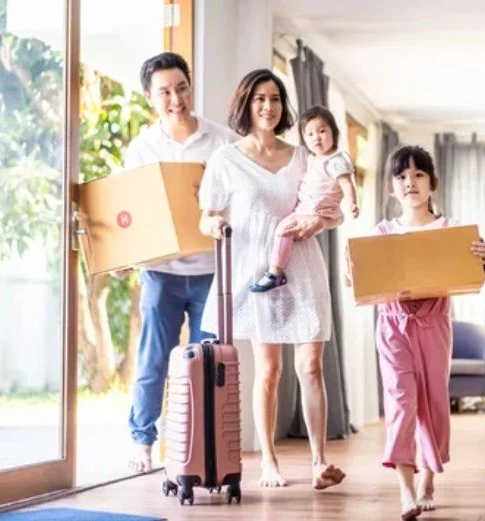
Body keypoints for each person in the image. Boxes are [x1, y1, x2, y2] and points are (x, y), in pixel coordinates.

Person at [197, 69, 346, 490]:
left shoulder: (303, 156)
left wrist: (318, 222)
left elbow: (332, 208)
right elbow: (207, 215)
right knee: (269, 371)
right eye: (260, 98)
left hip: (303, 267)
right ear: (246, 104)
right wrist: (214, 225)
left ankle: (319, 463)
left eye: (276, 98)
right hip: (258, 273)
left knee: (311, 366)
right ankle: (268, 461)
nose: (269, 106)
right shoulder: (226, 159)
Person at [347, 145, 485, 520]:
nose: (409, 183)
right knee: (401, 403)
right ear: (390, 188)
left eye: (418, 175)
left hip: (434, 325)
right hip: (392, 326)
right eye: (401, 177)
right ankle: (406, 491)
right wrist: (353, 270)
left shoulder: (451, 230)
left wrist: (482, 260)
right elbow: (358, 283)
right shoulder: (381, 233)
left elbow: (474, 276)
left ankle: (428, 478)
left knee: (433, 404)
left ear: (432, 183)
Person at [122, 52, 236, 473]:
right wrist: (125, 254)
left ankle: (199, 445)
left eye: (182, 88)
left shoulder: (222, 141)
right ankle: (142, 440)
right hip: (161, 273)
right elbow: (130, 211)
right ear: (149, 98)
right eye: (165, 92)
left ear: (191, 86)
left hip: (212, 272)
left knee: (207, 364)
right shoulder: (142, 148)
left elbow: (238, 202)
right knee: (153, 360)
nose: (176, 99)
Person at [249, 105, 359, 293]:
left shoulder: (335, 160)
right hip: (307, 209)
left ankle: (275, 273)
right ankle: (277, 270)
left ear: (334, 133)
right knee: (287, 231)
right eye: (310, 134)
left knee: (283, 229)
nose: (316, 137)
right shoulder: (311, 159)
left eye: (322, 131)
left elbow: (346, 183)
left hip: (318, 210)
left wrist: (352, 203)